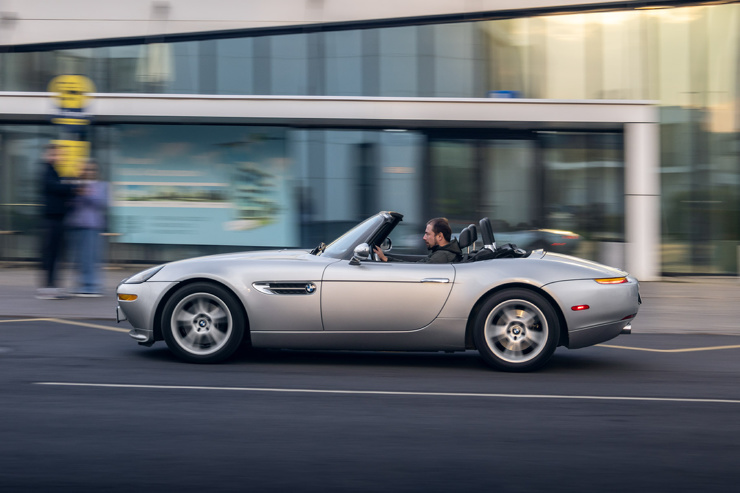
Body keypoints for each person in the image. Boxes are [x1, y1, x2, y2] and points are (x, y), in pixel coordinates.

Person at [37, 142, 77, 299]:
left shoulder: (55, 172)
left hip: (58, 219)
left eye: (60, 154)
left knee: (56, 254)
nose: (59, 157)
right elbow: (55, 187)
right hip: (51, 219)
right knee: (51, 254)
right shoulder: (46, 171)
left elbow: (63, 191)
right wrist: (71, 187)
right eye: (56, 154)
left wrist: (70, 189)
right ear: (48, 155)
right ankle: (47, 288)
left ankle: (53, 286)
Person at [67, 160, 109, 297]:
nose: (89, 172)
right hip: (77, 225)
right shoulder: (77, 185)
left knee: (91, 257)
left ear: (96, 171)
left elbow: (102, 202)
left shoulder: (102, 185)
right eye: (86, 169)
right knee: (79, 258)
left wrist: (86, 193)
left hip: (92, 226)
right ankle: (81, 284)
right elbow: (71, 204)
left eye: (91, 170)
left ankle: (91, 286)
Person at [374, 217, 462, 264]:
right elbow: (417, 264)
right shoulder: (441, 253)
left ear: (439, 236)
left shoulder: (441, 256)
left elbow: (415, 269)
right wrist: (386, 258)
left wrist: (386, 259)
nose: (424, 237)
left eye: (427, 234)